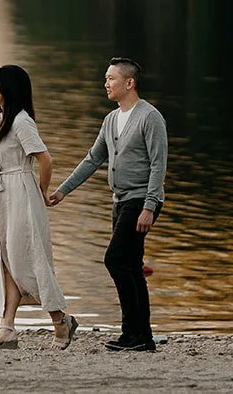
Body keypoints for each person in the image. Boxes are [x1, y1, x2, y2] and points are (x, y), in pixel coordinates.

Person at [46, 56, 168, 352]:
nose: (106, 83)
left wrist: (150, 206)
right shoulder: (111, 119)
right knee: (132, 266)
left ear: (129, 83)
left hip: (140, 201)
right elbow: (93, 158)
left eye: (111, 78)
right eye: (105, 78)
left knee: (115, 260)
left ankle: (133, 333)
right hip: (120, 200)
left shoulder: (150, 117)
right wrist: (63, 191)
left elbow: (158, 164)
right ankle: (143, 337)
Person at [0, 64, 79, 350]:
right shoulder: (4, 118)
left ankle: (61, 318)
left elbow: (45, 159)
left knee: (26, 259)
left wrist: (42, 191)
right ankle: (7, 328)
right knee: (6, 260)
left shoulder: (22, 121)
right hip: (2, 194)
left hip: (21, 194)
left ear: (9, 88)